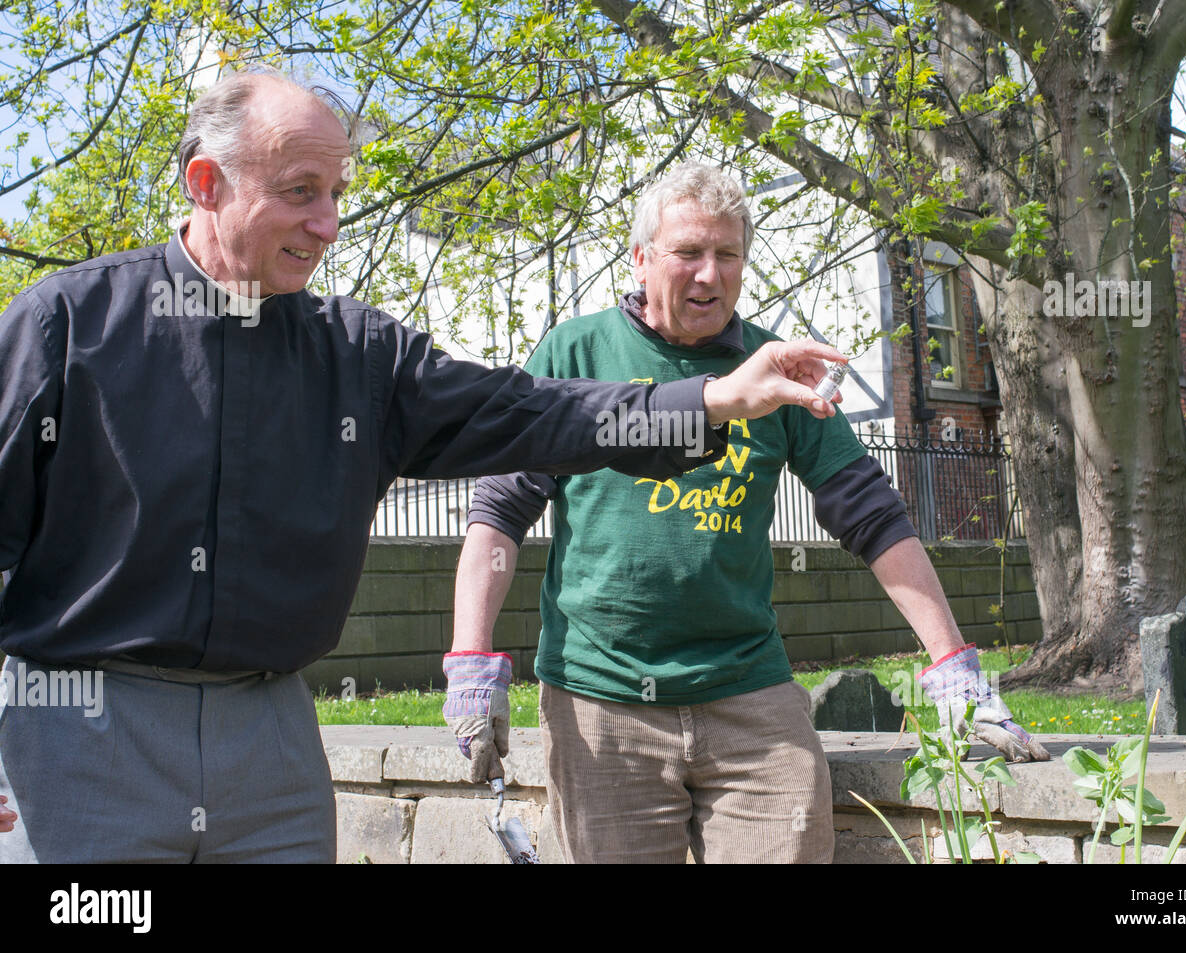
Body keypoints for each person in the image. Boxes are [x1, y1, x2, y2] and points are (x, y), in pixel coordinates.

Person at [0, 73, 847, 862]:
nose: (329, 223)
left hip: (274, 741)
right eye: (301, 192)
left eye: (336, 194)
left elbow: (531, 410)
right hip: (80, 736)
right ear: (206, 183)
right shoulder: (65, 325)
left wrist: (713, 401)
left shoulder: (361, 355)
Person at [450, 162, 1049, 864]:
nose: (709, 275)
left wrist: (953, 668)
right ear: (641, 259)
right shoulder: (575, 353)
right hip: (602, 701)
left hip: (748, 693)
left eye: (727, 255)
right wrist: (470, 662)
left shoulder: (774, 370)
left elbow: (871, 515)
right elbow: (499, 510)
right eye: (688, 253)